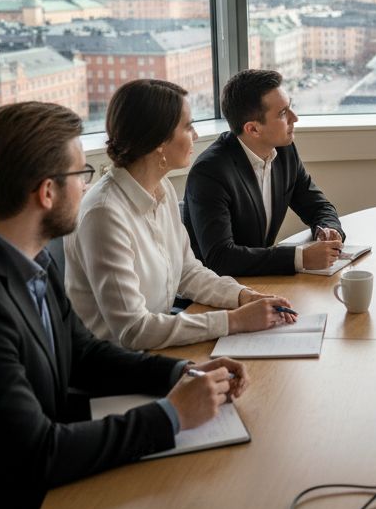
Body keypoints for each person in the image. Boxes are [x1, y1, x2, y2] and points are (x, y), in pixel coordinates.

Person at [0, 102, 247, 509]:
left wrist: (180, 373)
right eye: (81, 174)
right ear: (46, 193)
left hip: (30, 469)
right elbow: (37, 456)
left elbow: (83, 354)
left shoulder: (25, 255)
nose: (87, 186)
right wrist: (172, 415)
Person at [66, 79, 296, 350]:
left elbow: (187, 272)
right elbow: (133, 330)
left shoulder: (160, 186)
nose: (195, 136)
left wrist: (244, 296)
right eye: (188, 126)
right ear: (159, 141)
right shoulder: (104, 214)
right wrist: (234, 321)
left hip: (158, 348)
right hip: (118, 365)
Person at [184, 69, 345, 277]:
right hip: (215, 287)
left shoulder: (284, 151)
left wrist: (329, 230)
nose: (295, 118)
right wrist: (300, 258)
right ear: (253, 129)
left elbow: (318, 206)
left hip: (261, 279)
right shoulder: (210, 173)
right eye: (283, 113)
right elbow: (221, 258)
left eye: (290, 107)